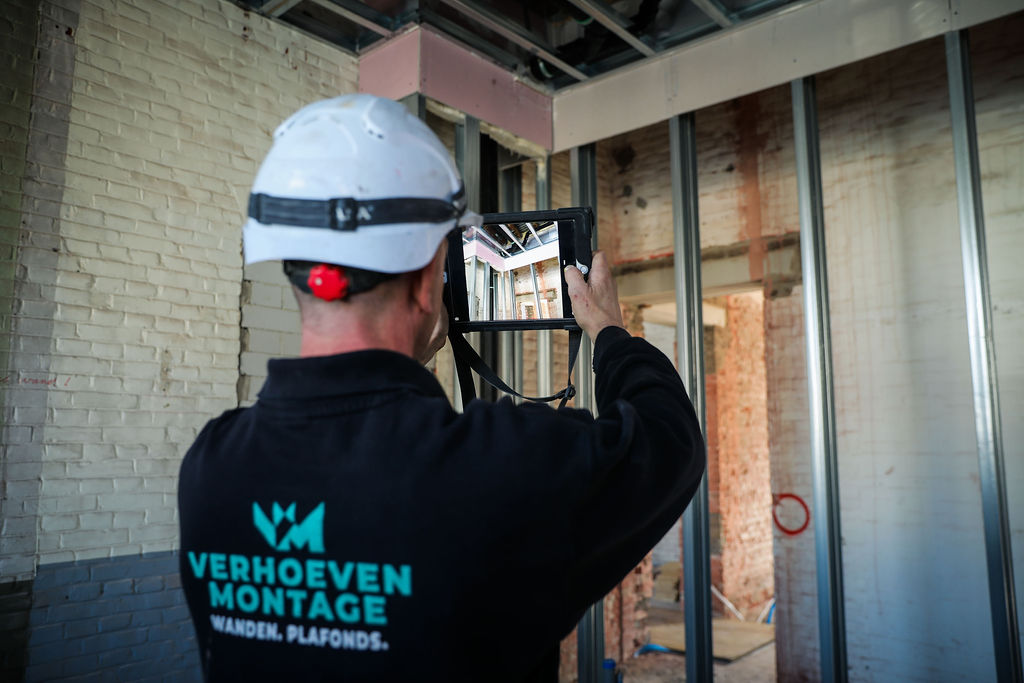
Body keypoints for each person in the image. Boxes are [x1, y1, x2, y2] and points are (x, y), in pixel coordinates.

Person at [178, 94, 705, 682]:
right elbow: (670, 440)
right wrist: (609, 332)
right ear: (430, 280)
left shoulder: (211, 466)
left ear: (294, 269)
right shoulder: (499, 468)